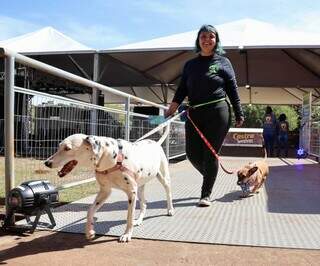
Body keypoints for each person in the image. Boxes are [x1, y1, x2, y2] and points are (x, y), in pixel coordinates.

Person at [165, 24, 244, 207]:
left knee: (210, 154)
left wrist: (239, 112)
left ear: (216, 40)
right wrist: (171, 110)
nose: (207, 40)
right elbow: (182, 89)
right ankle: (210, 174)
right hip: (194, 113)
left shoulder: (223, 63)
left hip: (218, 112)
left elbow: (232, 89)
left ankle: (205, 194)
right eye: (203, 37)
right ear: (198, 40)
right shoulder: (190, 65)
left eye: (211, 37)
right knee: (192, 153)